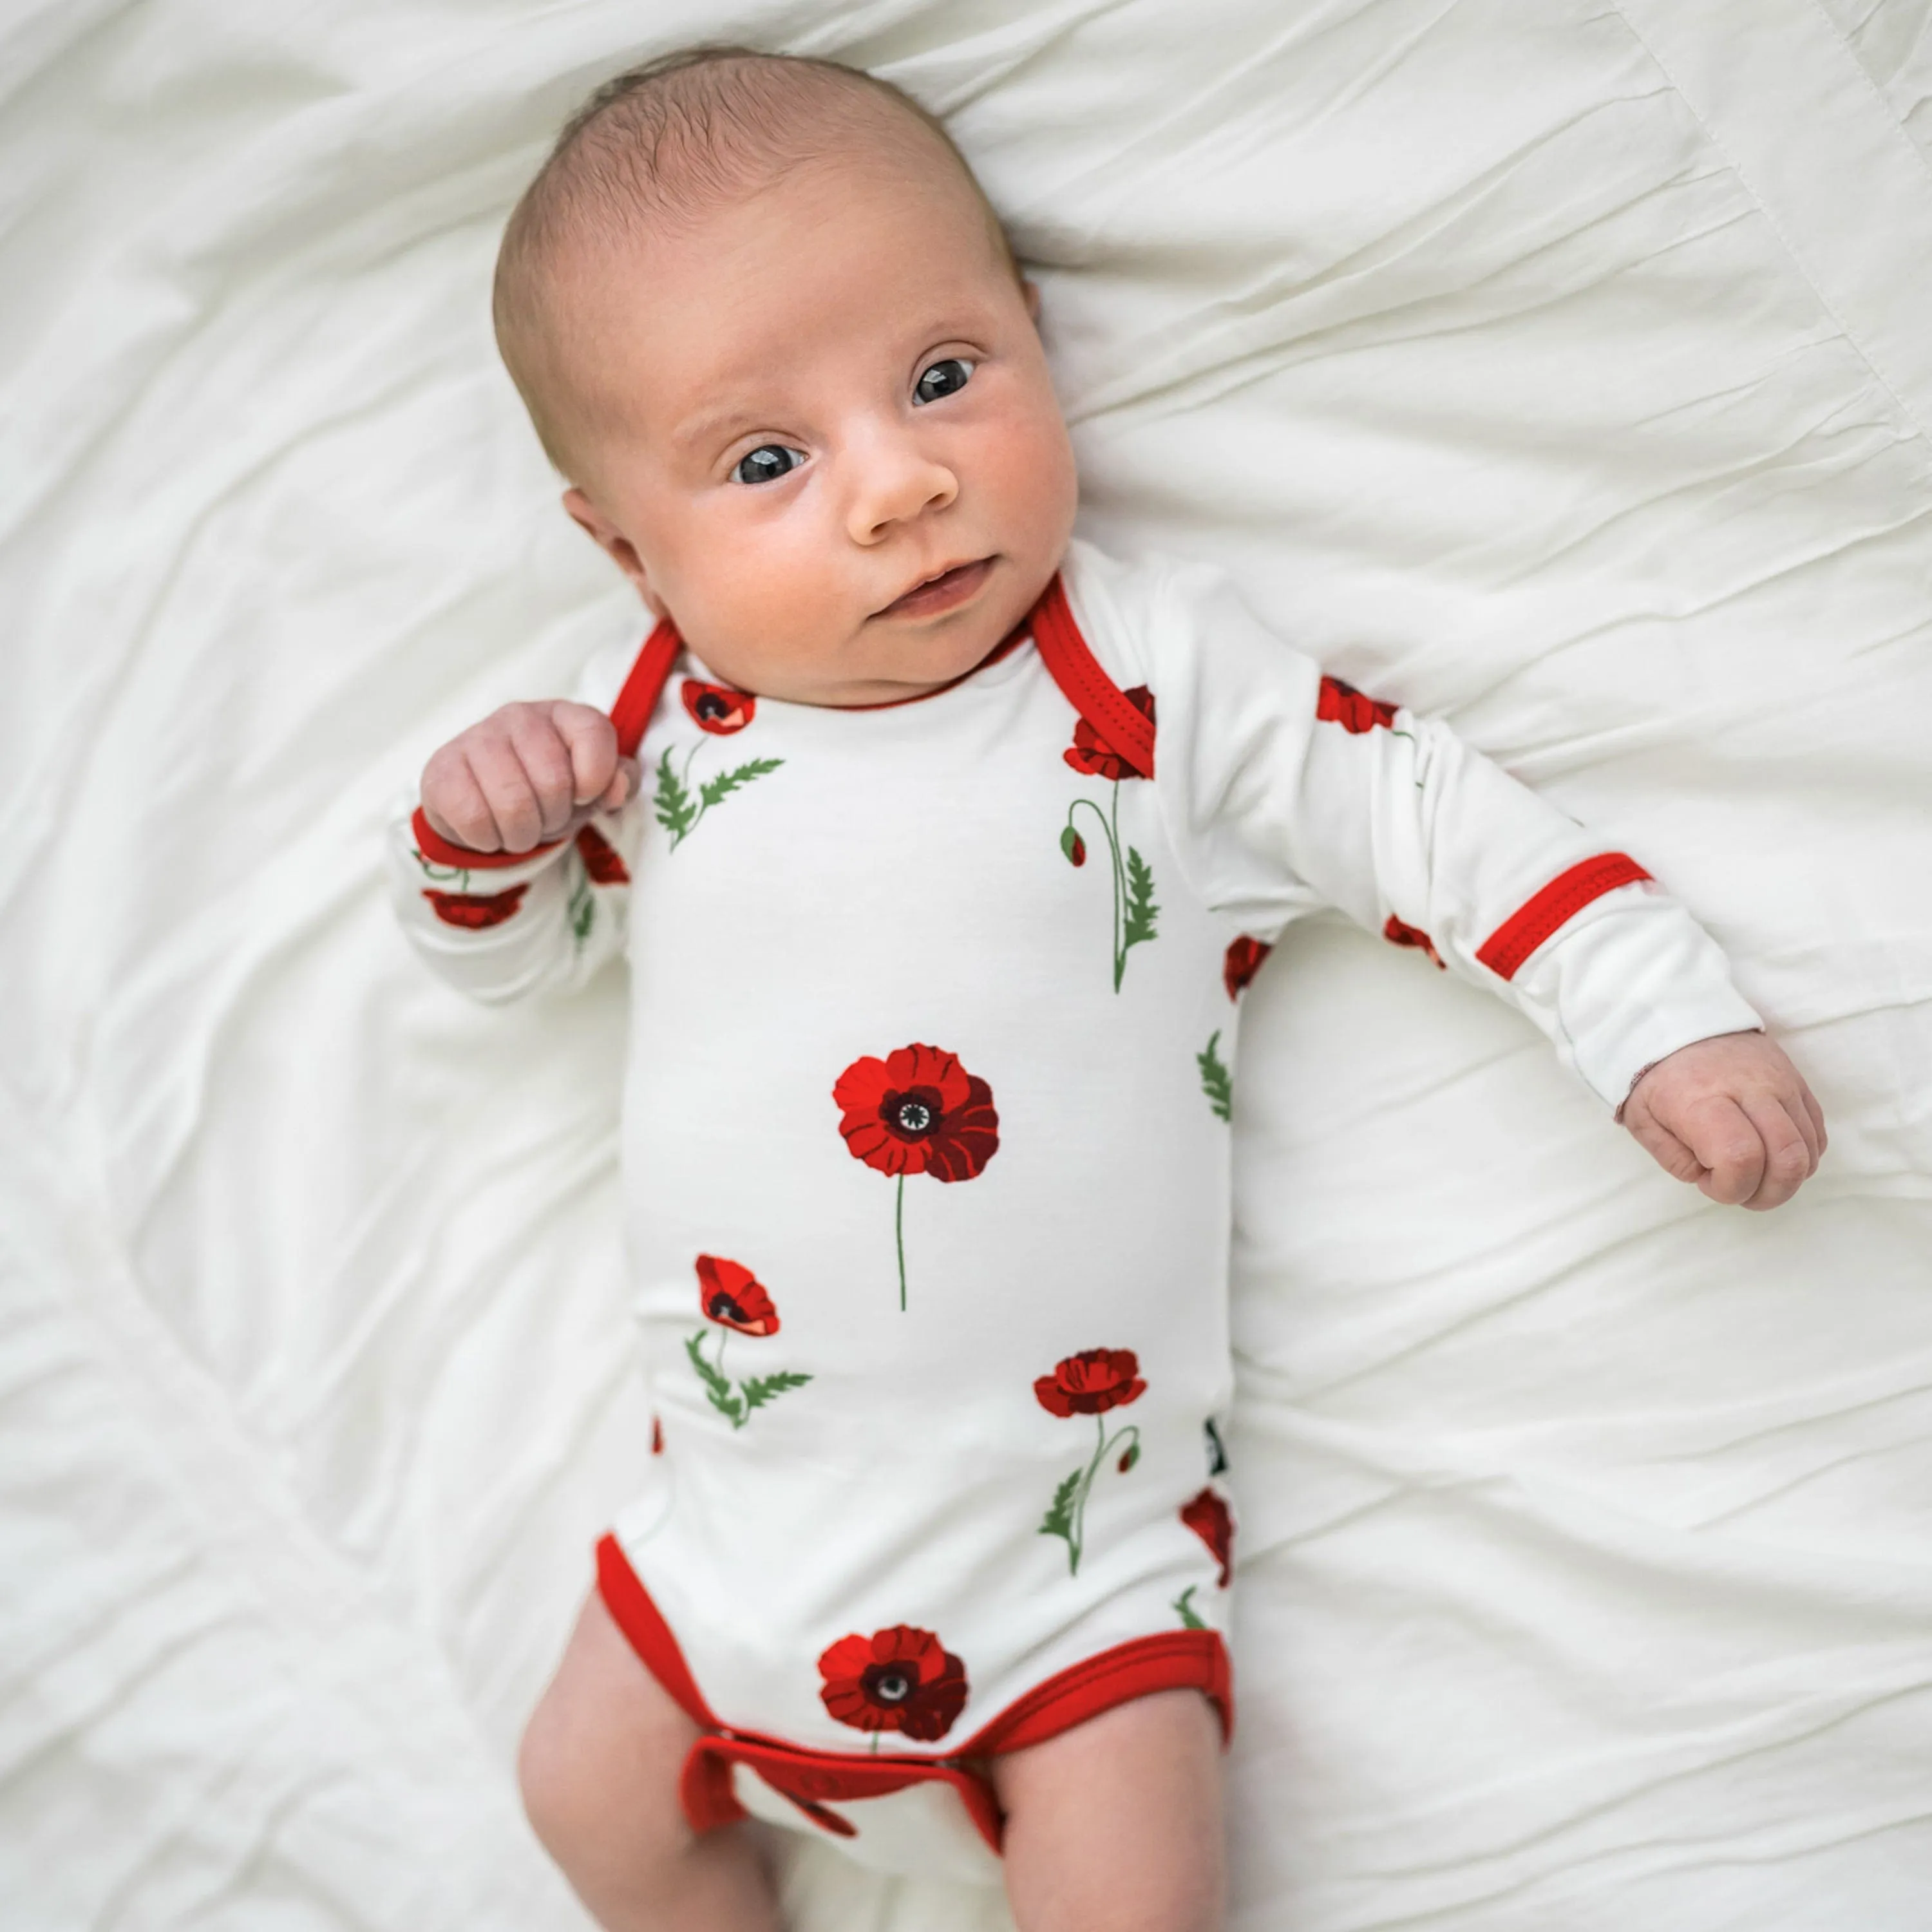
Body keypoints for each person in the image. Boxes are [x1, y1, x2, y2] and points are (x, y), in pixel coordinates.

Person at [390, 46, 1827, 1932]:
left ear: (1034, 340)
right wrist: (479, 841)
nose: (901, 486)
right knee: (585, 1798)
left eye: (941, 379)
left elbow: (1420, 812)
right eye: (766, 461)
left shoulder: (1148, 684)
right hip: (723, 1548)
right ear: (626, 546)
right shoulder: (644, 726)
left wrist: (1657, 1009)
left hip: (1083, 1578)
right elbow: (521, 970)